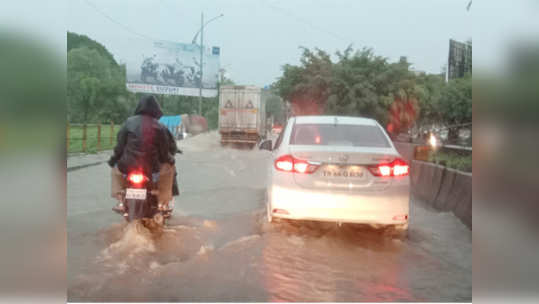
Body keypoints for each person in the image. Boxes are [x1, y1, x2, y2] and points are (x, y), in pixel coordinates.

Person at [108, 95, 177, 211]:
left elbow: (119, 147)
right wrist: (171, 161)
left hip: (127, 167)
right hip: (152, 169)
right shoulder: (160, 127)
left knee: (114, 168)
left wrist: (113, 160)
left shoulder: (128, 123)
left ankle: (120, 198)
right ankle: (163, 203)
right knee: (169, 169)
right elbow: (164, 153)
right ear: (156, 109)